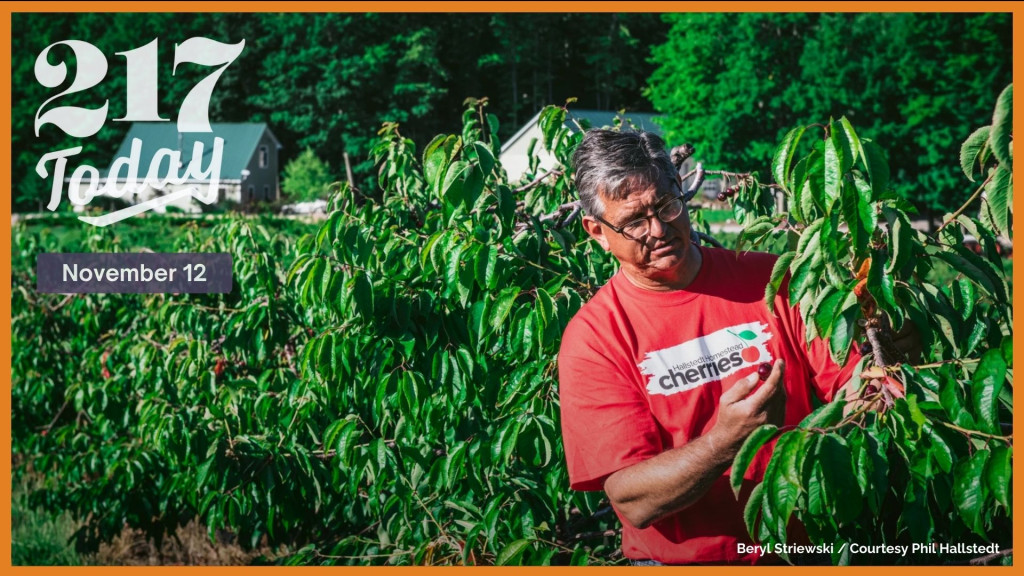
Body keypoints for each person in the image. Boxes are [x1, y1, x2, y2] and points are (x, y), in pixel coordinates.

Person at [557, 129, 862, 565]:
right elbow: (632, 500)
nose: (658, 229)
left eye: (666, 205)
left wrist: (892, 350)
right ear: (598, 232)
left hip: (803, 552)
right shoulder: (595, 338)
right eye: (634, 222)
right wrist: (726, 441)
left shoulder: (772, 280)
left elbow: (855, 387)